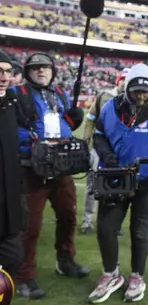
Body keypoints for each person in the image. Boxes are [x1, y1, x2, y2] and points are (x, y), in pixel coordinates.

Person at [88, 63, 148, 303]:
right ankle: (111, 274)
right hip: (115, 178)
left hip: (146, 180)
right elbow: (99, 136)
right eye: (135, 91)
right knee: (106, 227)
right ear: (126, 89)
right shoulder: (109, 108)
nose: (140, 96)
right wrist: (107, 156)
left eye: (144, 92)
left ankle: (137, 275)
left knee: (139, 229)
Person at [11, 52, 88, 299]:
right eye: (35, 68)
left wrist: (72, 121)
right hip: (32, 169)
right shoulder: (17, 95)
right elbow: (13, 129)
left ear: (52, 71)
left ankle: (65, 260)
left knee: (68, 215)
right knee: (30, 226)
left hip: (62, 166)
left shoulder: (61, 93)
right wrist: (34, 146)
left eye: (45, 67)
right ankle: (24, 276)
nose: (41, 71)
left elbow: (62, 125)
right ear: (27, 72)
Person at [80, 68, 129, 234]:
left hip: (120, 152)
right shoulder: (104, 96)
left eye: (129, 79)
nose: (125, 81)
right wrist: (87, 143)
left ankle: (114, 223)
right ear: (118, 80)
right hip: (99, 148)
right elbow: (90, 120)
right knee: (92, 186)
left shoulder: (134, 99)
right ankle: (87, 221)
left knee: (119, 188)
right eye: (123, 78)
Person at [0, 50, 23, 286]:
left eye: (7, 71)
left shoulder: (12, 105)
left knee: (14, 257)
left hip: (8, 202)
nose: (4, 76)